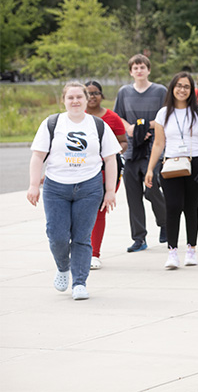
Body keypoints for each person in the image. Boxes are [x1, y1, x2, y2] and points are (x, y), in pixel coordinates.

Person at [27, 82, 121, 300]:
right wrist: (33, 185)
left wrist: (110, 191)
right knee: (57, 235)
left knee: (81, 237)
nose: (75, 101)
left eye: (80, 97)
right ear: (64, 100)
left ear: (87, 99)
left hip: (89, 187)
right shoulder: (52, 123)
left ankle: (80, 282)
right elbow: (38, 156)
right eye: (71, 97)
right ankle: (62, 267)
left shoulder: (98, 125)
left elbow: (110, 158)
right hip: (56, 187)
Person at [145, 73, 198, 269]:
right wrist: (151, 168)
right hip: (171, 164)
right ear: (172, 88)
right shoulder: (163, 114)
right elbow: (159, 143)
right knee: (173, 207)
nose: (182, 90)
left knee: (191, 208)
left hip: (197, 163)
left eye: (186, 86)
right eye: (178, 86)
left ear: (191, 90)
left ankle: (191, 249)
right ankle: (172, 252)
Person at [113, 54, 167, 251]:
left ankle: (165, 222)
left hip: (153, 148)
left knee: (152, 189)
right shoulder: (124, 92)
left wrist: (145, 127)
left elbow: (166, 115)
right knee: (133, 196)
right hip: (131, 150)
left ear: (148, 69)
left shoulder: (160, 91)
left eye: (142, 67)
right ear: (130, 71)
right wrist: (131, 129)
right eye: (135, 68)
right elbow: (118, 116)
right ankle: (139, 238)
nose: (139, 70)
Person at [84, 81, 127, 270]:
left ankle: (94, 254)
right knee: (79, 213)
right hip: (79, 169)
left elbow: (123, 142)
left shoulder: (112, 117)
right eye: (88, 93)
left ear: (102, 95)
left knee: (99, 211)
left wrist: (111, 153)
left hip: (106, 170)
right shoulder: (76, 118)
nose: (92, 97)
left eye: (96, 93)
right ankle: (79, 249)